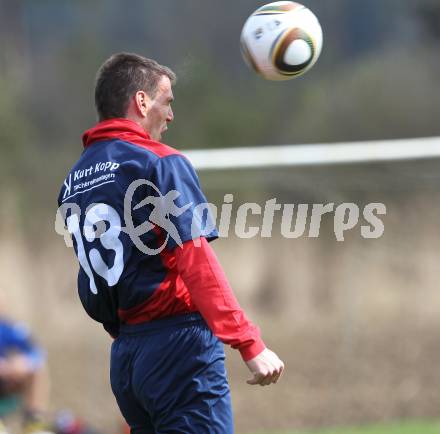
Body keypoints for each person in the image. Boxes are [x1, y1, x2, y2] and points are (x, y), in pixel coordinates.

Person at [57, 52, 284, 433]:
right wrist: (249, 343)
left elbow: (92, 283)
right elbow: (196, 259)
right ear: (141, 101)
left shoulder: (74, 180)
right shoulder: (159, 162)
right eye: (167, 101)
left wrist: (130, 337)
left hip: (127, 359)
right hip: (179, 348)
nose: (171, 115)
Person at [0, 317, 53, 434]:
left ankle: (33, 424)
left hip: (5, 382)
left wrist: (22, 363)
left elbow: (38, 353)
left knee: (37, 370)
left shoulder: (7, 328)